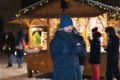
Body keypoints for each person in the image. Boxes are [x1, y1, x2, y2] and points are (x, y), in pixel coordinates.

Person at [50, 15, 81, 80]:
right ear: (62, 27)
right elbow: (56, 59)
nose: (70, 28)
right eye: (67, 26)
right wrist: (71, 50)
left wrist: (81, 45)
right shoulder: (56, 40)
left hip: (75, 73)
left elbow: (82, 54)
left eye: (71, 26)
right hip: (63, 74)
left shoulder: (73, 38)